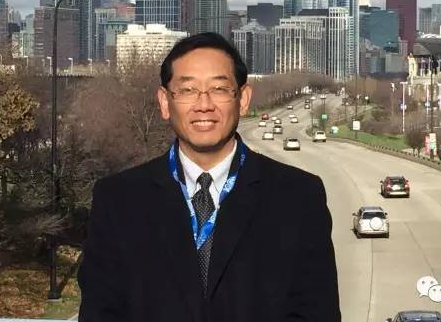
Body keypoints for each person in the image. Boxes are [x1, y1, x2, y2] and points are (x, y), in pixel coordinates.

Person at [77, 32, 340, 322]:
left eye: (219, 89)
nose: (204, 104)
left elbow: (317, 313)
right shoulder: (118, 200)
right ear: (164, 102)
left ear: (243, 99)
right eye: (188, 90)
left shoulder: (298, 197)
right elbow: (101, 312)